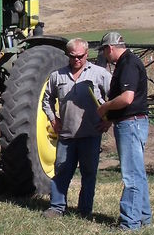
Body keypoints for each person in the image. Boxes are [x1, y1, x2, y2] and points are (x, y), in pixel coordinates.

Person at [41, 38, 111, 217]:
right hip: (66, 135)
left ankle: (84, 210)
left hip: (91, 134)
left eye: (80, 56)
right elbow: (47, 99)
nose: (77, 60)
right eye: (72, 56)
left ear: (87, 54)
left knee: (89, 174)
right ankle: (56, 207)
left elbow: (114, 98)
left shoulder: (99, 74)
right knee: (61, 172)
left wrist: (109, 120)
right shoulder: (58, 76)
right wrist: (53, 119)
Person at [97, 31, 152, 230]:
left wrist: (105, 107)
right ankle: (143, 217)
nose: (104, 55)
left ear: (110, 48)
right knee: (138, 173)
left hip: (131, 124)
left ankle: (130, 223)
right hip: (131, 122)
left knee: (131, 175)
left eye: (103, 50)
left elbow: (127, 98)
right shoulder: (128, 62)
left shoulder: (128, 64)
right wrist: (110, 120)